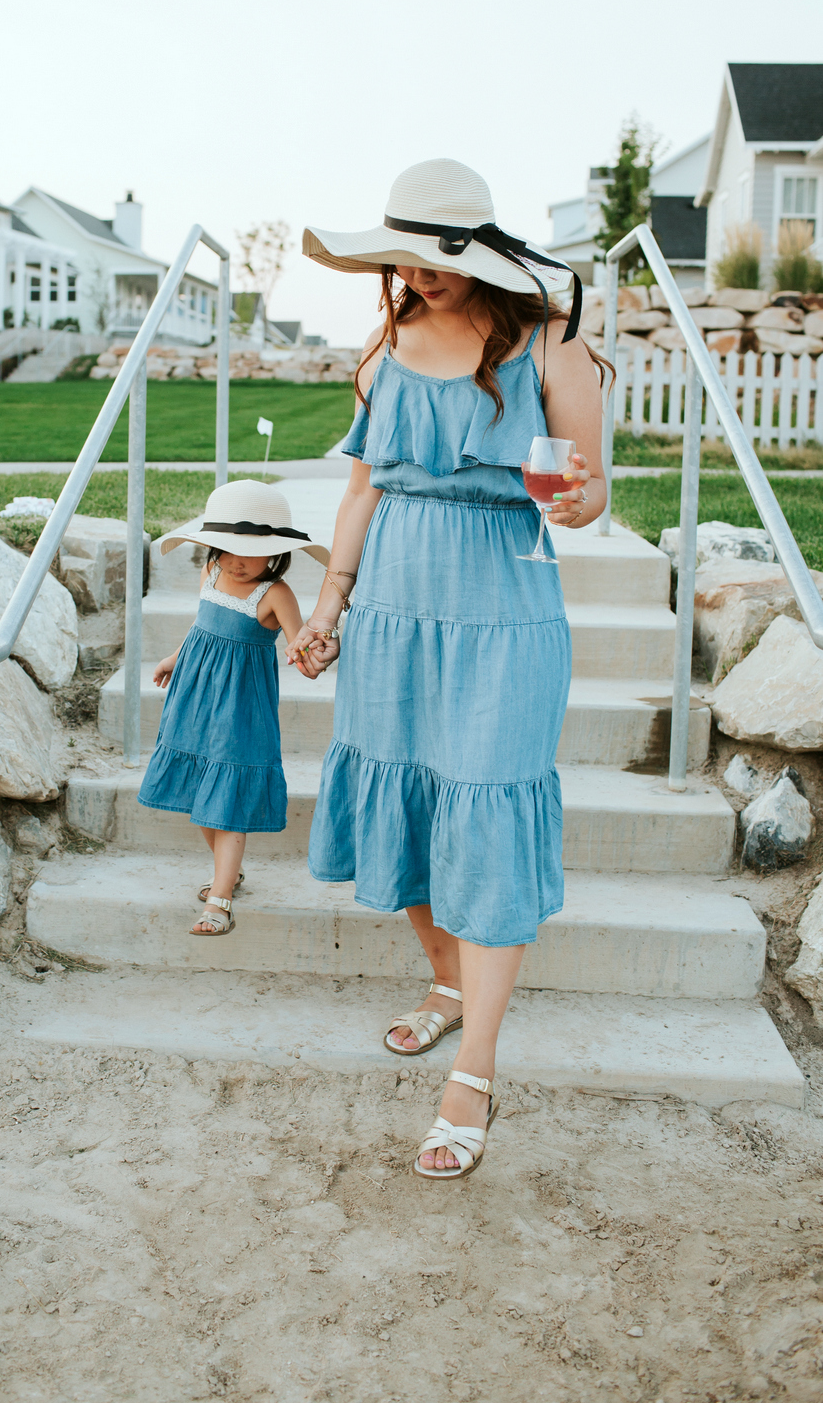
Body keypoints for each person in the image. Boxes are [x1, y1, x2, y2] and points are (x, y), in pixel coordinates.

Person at [286, 159, 612, 1180]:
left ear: (478, 255)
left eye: (435, 260)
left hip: (504, 604)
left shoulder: (548, 340)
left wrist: (574, 502)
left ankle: (472, 1068)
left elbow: (588, 486)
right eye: (405, 260)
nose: (417, 277)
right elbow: (360, 492)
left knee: (485, 809)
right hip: (389, 604)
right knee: (410, 803)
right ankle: (446, 984)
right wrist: (328, 606)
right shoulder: (384, 345)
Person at [139, 479, 330, 936]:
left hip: (240, 707)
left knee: (225, 797)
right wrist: (173, 658)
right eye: (224, 549)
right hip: (194, 695)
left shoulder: (275, 594)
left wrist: (309, 655)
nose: (234, 560)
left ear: (276, 553)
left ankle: (220, 900)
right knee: (197, 791)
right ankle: (229, 873)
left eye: (248, 551)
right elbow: (201, 626)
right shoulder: (211, 573)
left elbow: (298, 644)